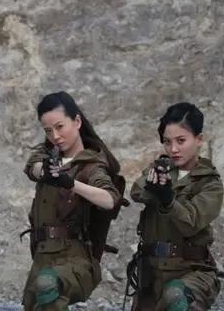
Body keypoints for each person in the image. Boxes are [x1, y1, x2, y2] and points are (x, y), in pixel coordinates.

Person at [22, 91, 122, 310]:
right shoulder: (47, 156)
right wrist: (45, 172)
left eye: (60, 127)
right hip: (42, 256)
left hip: (75, 258)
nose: (55, 136)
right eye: (48, 131)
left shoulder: (91, 165)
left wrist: (70, 183)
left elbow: (109, 199)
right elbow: (32, 166)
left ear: (77, 121)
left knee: (48, 286)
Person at [129, 102, 222, 310]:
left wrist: (168, 198)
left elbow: (191, 222)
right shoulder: (161, 168)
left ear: (199, 139)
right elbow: (136, 191)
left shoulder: (210, 184)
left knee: (175, 296)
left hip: (191, 272)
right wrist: (154, 188)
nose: (173, 149)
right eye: (167, 142)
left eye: (181, 141)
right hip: (152, 274)